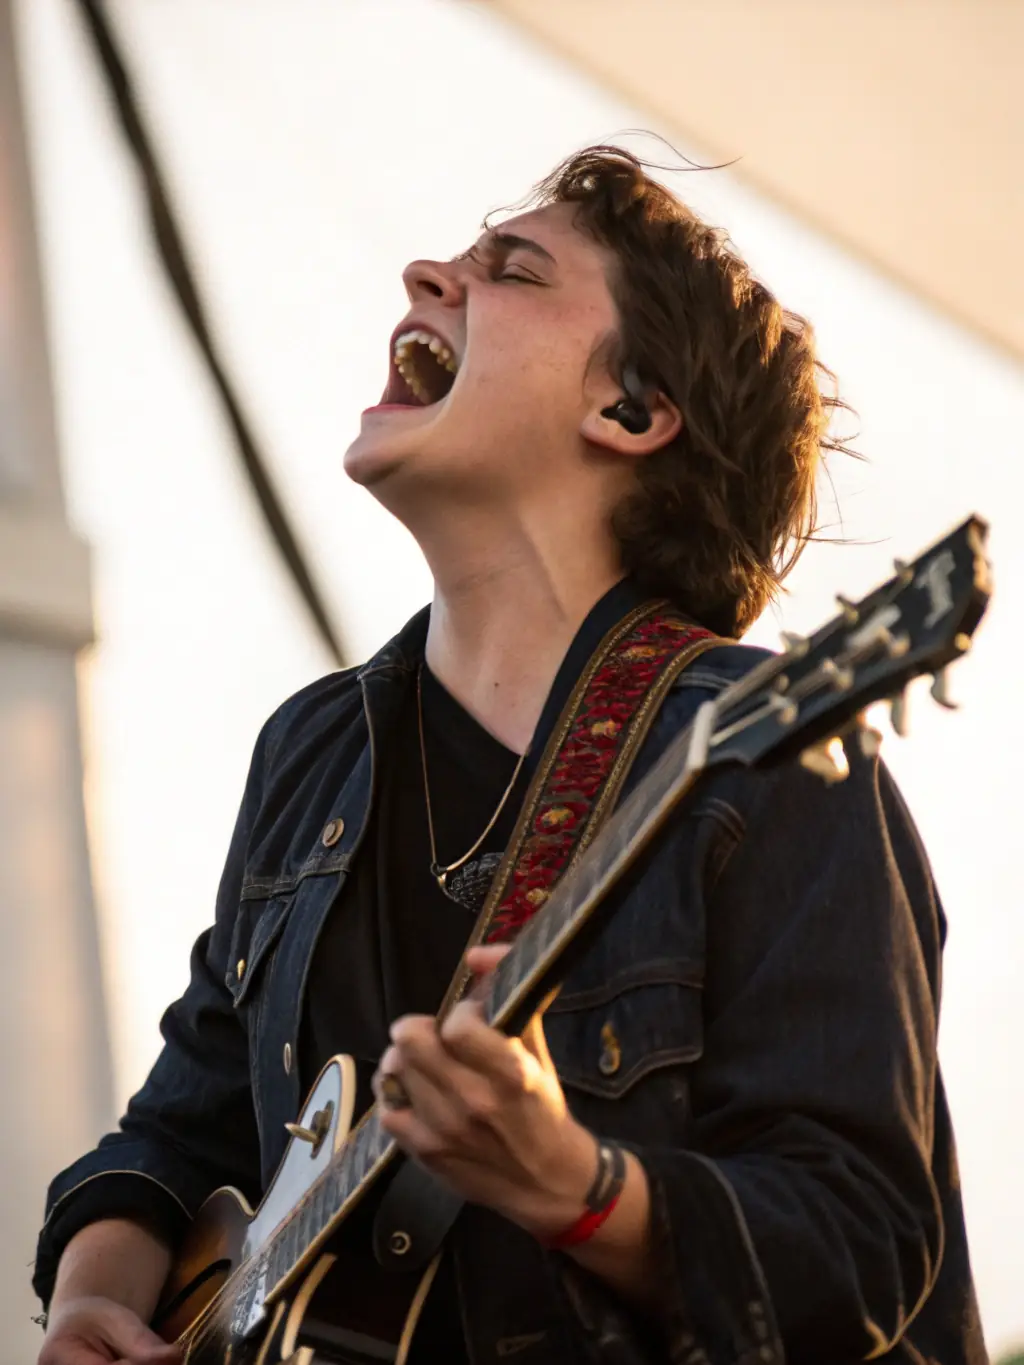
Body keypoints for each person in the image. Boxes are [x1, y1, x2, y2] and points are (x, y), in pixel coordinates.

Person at [35, 147, 986, 1365]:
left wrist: (580, 1188)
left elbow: (859, 1249)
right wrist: (91, 1304)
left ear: (630, 413)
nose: (425, 272)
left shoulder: (766, 754)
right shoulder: (312, 751)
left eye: (511, 270)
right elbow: (178, 1132)